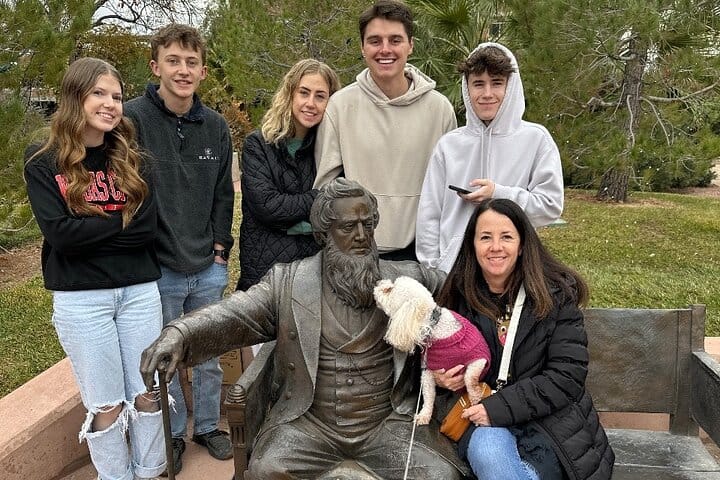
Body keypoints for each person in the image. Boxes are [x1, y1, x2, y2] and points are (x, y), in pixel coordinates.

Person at [140, 178, 470, 480]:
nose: (361, 236)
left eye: (367, 224)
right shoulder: (289, 282)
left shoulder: (410, 280)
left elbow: (469, 301)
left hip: (387, 423)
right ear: (324, 234)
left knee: (440, 475)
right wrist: (180, 333)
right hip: (311, 425)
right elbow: (234, 314)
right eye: (347, 227)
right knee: (267, 470)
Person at [24, 57, 165, 480]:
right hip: (82, 299)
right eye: (98, 93)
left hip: (139, 292)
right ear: (75, 98)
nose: (110, 104)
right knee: (107, 404)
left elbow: (147, 229)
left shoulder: (134, 159)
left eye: (117, 96)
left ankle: (150, 471)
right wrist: (120, 221)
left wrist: (89, 229)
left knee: (148, 393)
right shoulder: (44, 161)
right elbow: (61, 235)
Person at [432, 198, 614, 479]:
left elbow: (566, 376)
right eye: (485, 237)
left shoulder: (555, 295)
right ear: (472, 245)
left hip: (549, 424)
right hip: (482, 419)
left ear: (521, 245)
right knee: (488, 450)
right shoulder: (457, 295)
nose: (495, 247)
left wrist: (497, 408)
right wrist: (439, 377)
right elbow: (429, 354)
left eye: (506, 237)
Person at [124, 23, 235, 473]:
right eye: (173, 61)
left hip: (206, 266)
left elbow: (224, 194)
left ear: (203, 71)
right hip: (158, 268)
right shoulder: (132, 120)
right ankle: (170, 433)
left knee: (207, 356)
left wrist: (221, 251)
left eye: (191, 62)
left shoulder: (216, 127)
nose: (183, 70)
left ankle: (207, 426)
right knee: (164, 357)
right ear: (156, 67)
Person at [313, 0, 457, 261]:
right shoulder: (340, 106)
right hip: (357, 253)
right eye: (375, 41)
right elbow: (327, 188)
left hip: (423, 254)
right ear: (362, 47)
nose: (385, 49)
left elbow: (449, 190)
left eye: (395, 40)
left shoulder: (440, 110)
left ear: (411, 45)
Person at [416, 42, 564, 273]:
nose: (487, 94)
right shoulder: (449, 145)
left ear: (511, 87)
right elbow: (429, 214)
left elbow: (549, 206)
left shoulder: (536, 139)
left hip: (513, 271)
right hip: (454, 273)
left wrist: (498, 194)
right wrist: (434, 269)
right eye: (478, 84)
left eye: (496, 83)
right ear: (467, 88)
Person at [236, 58, 340, 291]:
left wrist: (289, 221)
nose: (310, 103)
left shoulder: (331, 150)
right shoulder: (259, 145)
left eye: (320, 96)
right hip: (265, 271)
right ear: (290, 94)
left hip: (314, 272)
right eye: (304, 93)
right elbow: (268, 207)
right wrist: (319, 198)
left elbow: (337, 213)